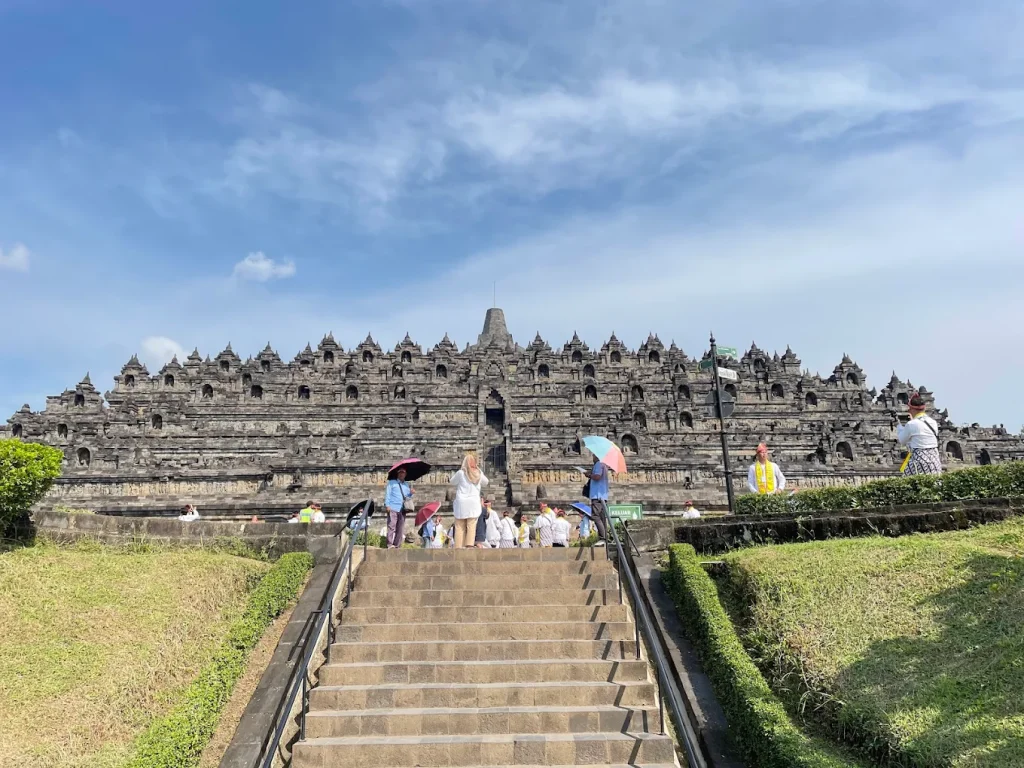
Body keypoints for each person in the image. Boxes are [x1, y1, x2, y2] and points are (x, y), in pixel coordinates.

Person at [449, 452, 489, 548]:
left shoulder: (461, 473)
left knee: (459, 526)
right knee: (471, 525)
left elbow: (452, 482)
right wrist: (478, 470)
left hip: (461, 503)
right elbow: (486, 482)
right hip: (473, 503)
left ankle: (458, 546)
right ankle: (469, 545)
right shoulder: (478, 473)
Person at [897, 393, 943, 476]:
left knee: (908, 483)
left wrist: (899, 426)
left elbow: (902, 440)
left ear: (911, 409)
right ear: (924, 408)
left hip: (920, 460)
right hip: (934, 459)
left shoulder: (911, 424)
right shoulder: (933, 422)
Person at [585, 458, 611, 546]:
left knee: (595, 515)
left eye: (593, 455)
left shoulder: (598, 464)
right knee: (602, 517)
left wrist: (589, 475)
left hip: (597, 495)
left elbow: (597, 476)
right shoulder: (604, 465)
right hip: (603, 496)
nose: (592, 457)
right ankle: (604, 539)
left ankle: (602, 537)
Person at [384, 470, 413, 548]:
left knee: (400, 528)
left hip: (402, 509)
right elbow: (388, 494)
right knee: (391, 526)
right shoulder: (392, 483)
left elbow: (407, 498)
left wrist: (411, 493)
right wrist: (387, 505)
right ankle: (390, 544)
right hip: (393, 507)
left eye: (403, 472)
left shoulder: (407, 485)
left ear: (405, 474)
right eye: (400, 472)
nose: (401, 474)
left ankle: (397, 545)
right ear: (397, 473)